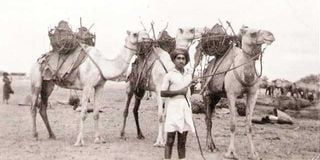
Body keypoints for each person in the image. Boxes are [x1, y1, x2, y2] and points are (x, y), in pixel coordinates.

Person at [161, 49, 196, 160]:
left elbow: (190, 93)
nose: (181, 60)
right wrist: (179, 92)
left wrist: (193, 86)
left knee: (182, 141)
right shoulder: (169, 75)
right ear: (174, 60)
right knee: (170, 140)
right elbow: (163, 93)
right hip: (173, 109)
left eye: (183, 58)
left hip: (185, 109)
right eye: (178, 58)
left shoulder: (188, 75)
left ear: (186, 60)